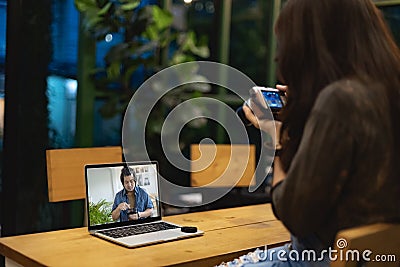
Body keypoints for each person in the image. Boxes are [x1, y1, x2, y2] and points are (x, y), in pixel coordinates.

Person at [219, 0, 400, 266]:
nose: (279, 55)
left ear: (311, 43)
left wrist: (276, 136)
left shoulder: (339, 102)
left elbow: (294, 214)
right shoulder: (385, 93)